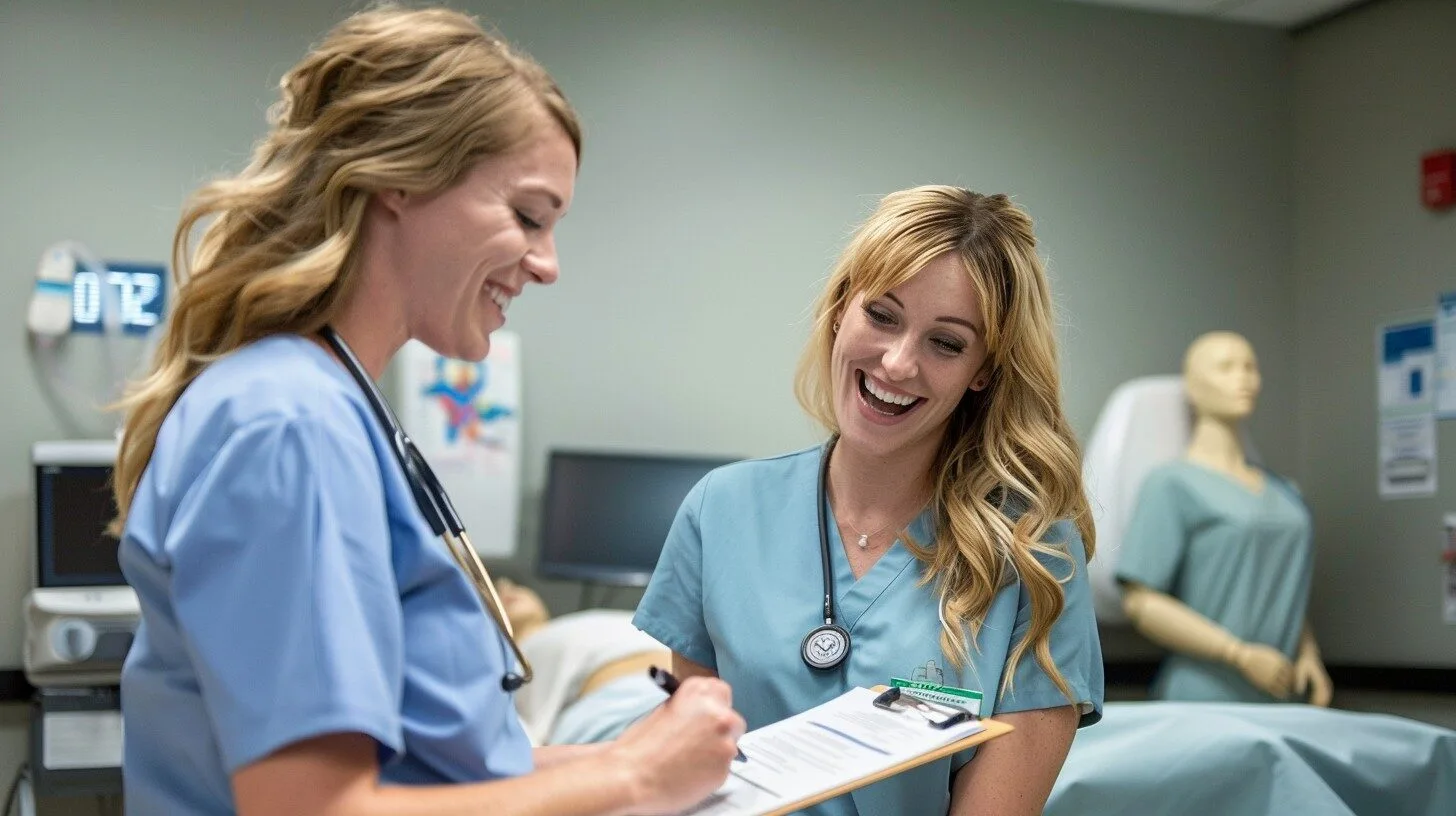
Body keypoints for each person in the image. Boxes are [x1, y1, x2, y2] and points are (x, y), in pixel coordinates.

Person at [110, 7, 743, 815]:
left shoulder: (329, 404)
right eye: (528, 216)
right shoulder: (291, 425)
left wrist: (626, 755)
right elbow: (314, 808)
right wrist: (635, 780)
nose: (547, 266)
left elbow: (424, 774)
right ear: (399, 178)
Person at [633, 186, 1105, 816]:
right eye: (881, 315)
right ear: (840, 311)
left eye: (946, 343)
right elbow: (696, 777)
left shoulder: (1034, 555)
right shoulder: (722, 510)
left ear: (984, 370)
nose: (898, 362)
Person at [1115, 331, 1333, 705]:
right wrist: (1239, 654)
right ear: (1194, 386)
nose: (1244, 378)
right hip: (1206, 693)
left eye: (1250, 367)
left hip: (1284, 689)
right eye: (1226, 368)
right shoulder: (1172, 484)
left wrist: (1309, 655)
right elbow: (1140, 602)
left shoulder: (1286, 493)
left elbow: (1284, 587)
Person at [497, 579, 670, 746]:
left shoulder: (581, 620)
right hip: (613, 711)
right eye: (494, 591)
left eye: (516, 584)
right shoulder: (509, 663)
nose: (506, 587)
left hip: (677, 689)